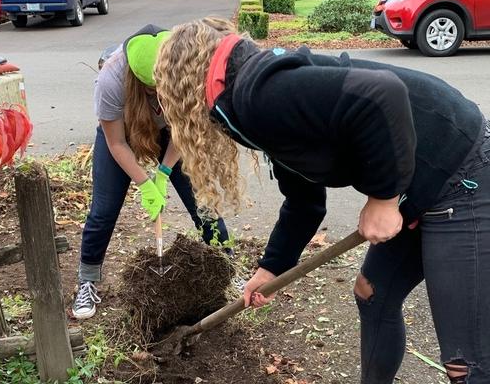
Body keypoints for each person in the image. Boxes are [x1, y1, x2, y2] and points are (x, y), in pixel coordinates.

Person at [153, 19, 490, 383]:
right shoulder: (248, 104)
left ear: (184, 86)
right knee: (371, 292)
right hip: (418, 183)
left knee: (464, 365)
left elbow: (383, 93)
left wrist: (384, 198)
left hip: (461, 171)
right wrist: (271, 268)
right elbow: (303, 200)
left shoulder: (259, 92)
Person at [73, 21, 234, 320]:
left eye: (161, 85)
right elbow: (117, 143)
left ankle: (225, 265)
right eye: (150, 88)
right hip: (124, 134)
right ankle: (87, 279)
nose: (157, 92)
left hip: (170, 135)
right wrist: (145, 183)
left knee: (201, 200)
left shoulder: (183, 69)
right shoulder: (111, 79)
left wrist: (163, 172)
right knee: (104, 209)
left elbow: (181, 131)